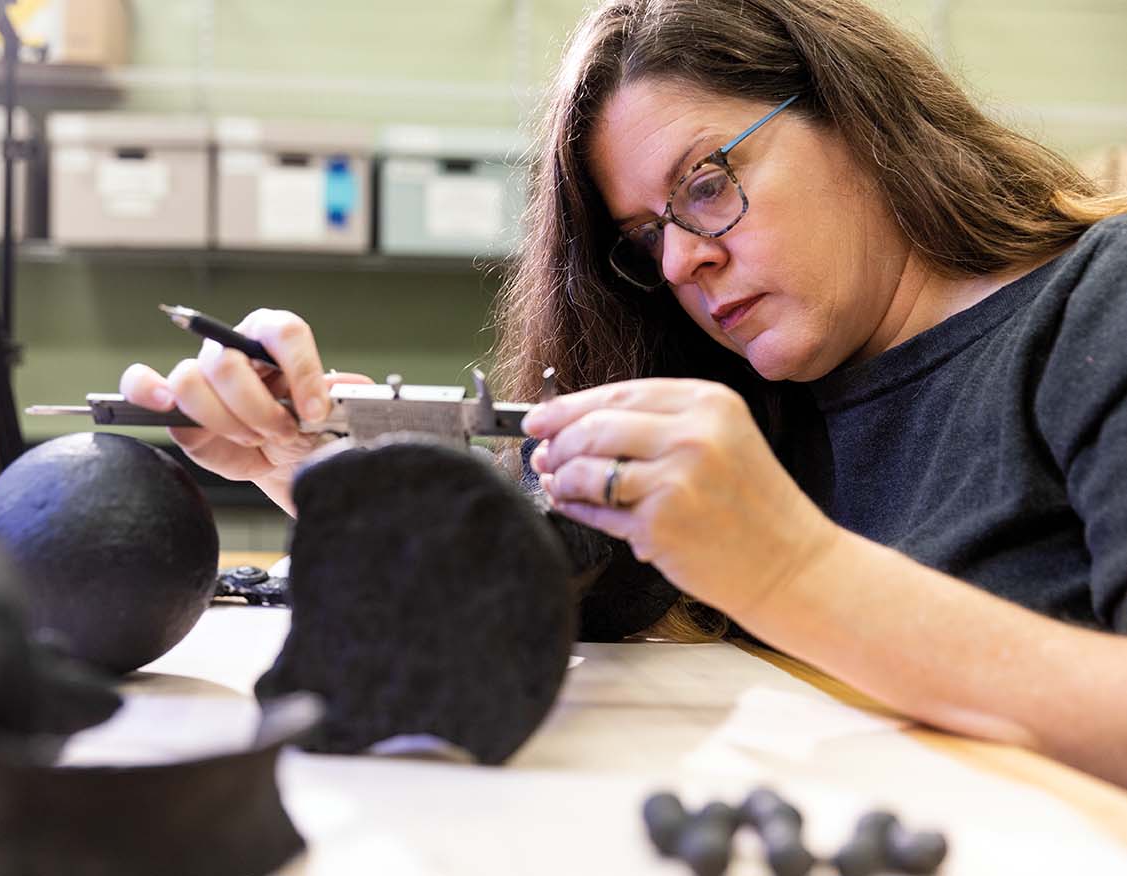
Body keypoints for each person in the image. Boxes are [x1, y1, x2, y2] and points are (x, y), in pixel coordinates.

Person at [122, 0, 1127, 786]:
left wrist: (784, 570)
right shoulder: (759, 395)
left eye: (704, 182)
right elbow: (555, 601)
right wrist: (332, 478)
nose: (685, 260)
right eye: (644, 236)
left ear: (857, 120)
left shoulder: (1097, 310)